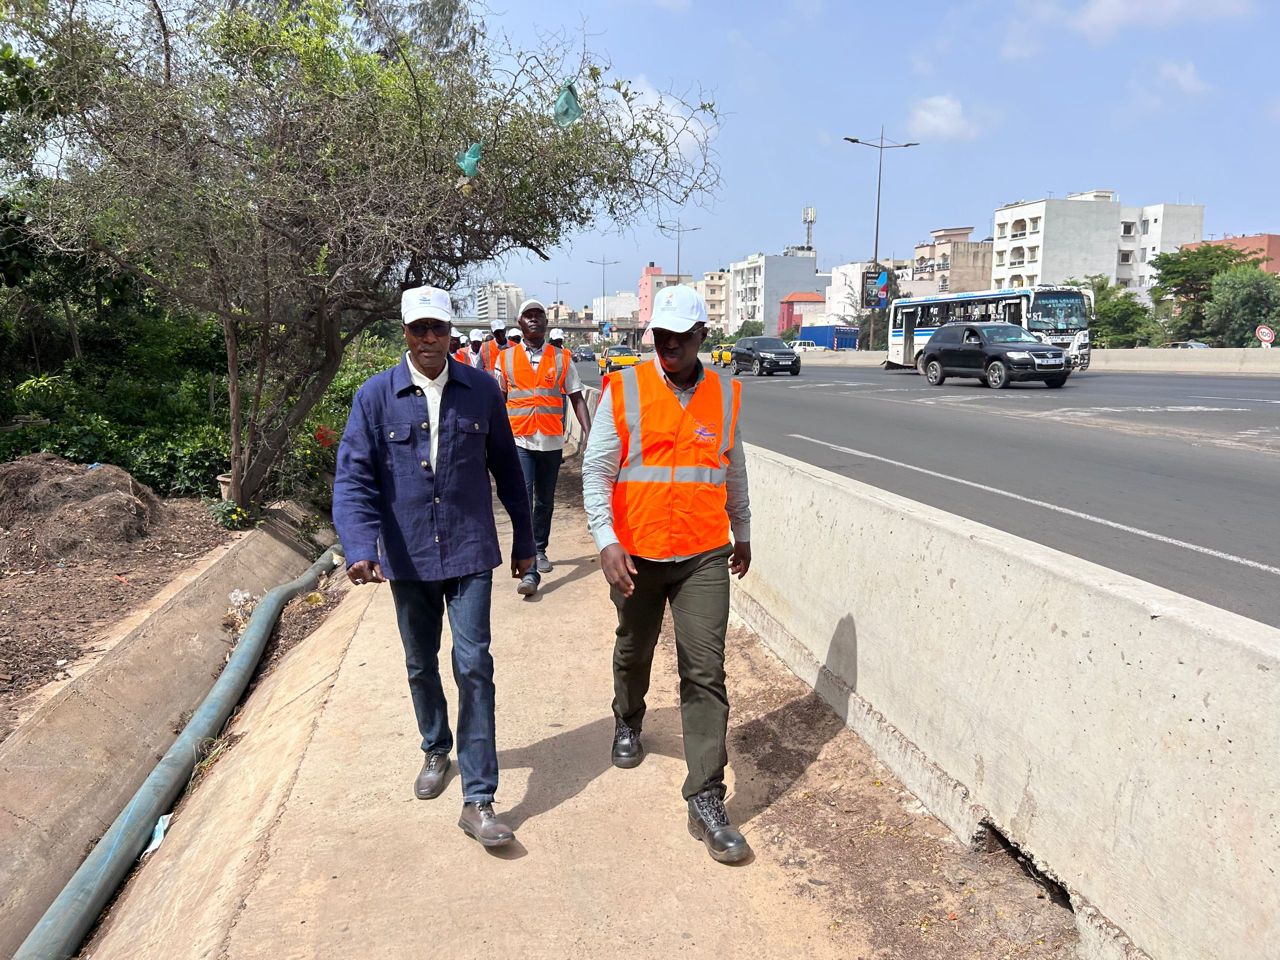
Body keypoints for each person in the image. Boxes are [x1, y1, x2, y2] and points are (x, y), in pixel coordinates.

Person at [333, 284, 535, 849]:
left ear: (450, 333)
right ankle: (435, 748)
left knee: (473, 664)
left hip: (470, 550)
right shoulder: (375, 398)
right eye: (419, 329)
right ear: (405, 332)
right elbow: (354, 478)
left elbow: (509, 473)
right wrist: (360, 546)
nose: (429, 339)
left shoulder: (483, 392)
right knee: (421, 663)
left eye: (438, 329)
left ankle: (479, 798)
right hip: (410, 554)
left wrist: (525, 541)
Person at [581, 284, 753, 865]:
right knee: (634, 647)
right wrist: (605, 541)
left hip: (703, 553)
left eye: (681, 336)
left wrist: (743, 529)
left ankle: (705, 797)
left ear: (703, 335)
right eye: (661, 336)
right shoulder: (624, 388)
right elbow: (598, 469)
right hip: (638, 552)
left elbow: (733, 471)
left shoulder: (726, 395)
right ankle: (627, 719)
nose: (669, 345)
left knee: (705, 671)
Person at [496, 298, 591, 597]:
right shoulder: (506, 359)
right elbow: (497, 401)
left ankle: (539, 548)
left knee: (545, 501)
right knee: (523, 498)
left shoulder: (562, 358)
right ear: (519, 322)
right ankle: (530, 567)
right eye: (528, 315)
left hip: (551, 441)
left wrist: (590, 432)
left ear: (546, 322)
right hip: (519, 440)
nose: (534, 319)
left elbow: (576, 397)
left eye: (539, 314)